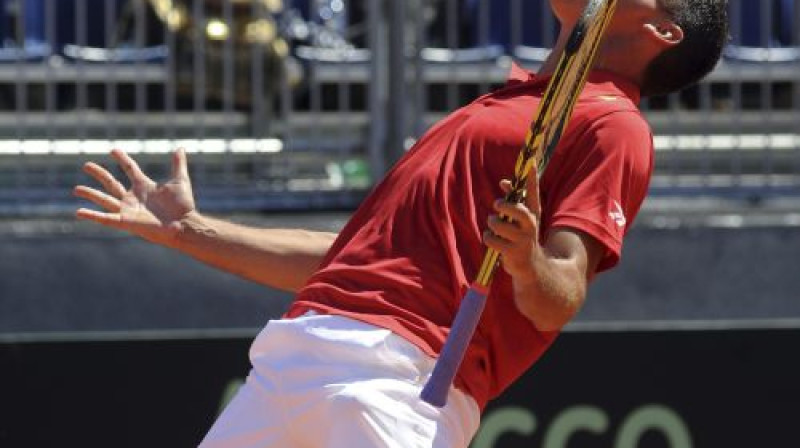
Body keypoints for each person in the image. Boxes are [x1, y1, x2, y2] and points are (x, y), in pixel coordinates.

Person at [74, 0, 729, 446]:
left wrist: (528, 257)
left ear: (664, 29)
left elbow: (561, 296)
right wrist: (194, 233)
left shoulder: (615, 125)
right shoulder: (495, 108)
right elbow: (354, 256)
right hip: (292, 361)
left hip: (400, 381)